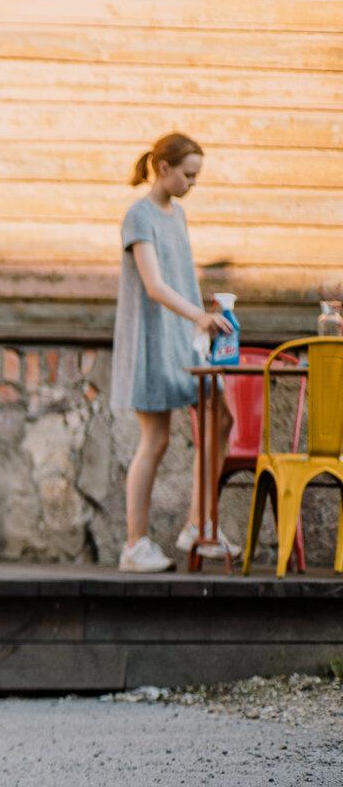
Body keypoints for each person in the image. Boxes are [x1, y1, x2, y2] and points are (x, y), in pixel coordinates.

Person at [113, 132, 238, 573]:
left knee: (221, 417)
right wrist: (196, 317)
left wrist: (206, 315)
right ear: (162, 168)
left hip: (186, 339)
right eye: (188, 175)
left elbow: (181, 277)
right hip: (153, 339)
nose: (192, 184)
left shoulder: (177, 215)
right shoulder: (139, 217)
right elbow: (153, 285)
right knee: (157, 439)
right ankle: (134, 545)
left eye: (197, 177)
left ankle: (199, 524)